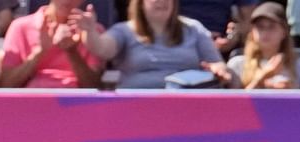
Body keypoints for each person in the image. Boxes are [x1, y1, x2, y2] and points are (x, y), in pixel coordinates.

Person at [97, 0, 229, 88]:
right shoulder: (123, 30)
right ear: (140, 3)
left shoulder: (193, 28)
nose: (163, 1)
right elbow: (102, 50)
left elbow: (216, 63)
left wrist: (219, 70)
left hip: (185, 105)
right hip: (135, 106)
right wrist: (89, 32)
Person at [0, 0, 104, 88]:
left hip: (76, 106)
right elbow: (7, 84)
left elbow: (94, 86)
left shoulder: (92, 31)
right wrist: (40, 51)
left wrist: (72, 52)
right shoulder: (20, 27)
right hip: (29, 105)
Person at [229, 3, 300, 89]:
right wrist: (261, 80)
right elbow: (234, 105)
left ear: (284, 32)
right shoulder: (237, 65)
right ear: (252, 32)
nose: (265, 32)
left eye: (271, 27)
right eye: (260, 27)